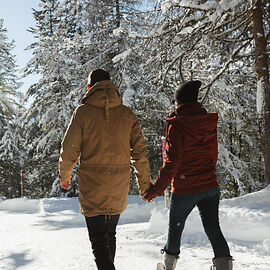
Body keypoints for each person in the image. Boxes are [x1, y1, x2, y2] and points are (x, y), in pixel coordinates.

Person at [59, 68, 150, 270]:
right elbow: (140, 153)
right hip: (119, 184)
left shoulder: (82, 113)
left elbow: (70, 148)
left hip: (92, 184)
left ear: (90, 88)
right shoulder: (127, 114)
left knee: (99, 241)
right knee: (110, 235)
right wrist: (144, 184)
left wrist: (64, 176)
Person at [142, 80, 233, 270]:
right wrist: (206, 174)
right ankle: (225, 267)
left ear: (179, 103)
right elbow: (213, 154)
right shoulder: (207, 121)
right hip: (209, 185)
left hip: (185, 188)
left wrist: (155, 189)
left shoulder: (177, 125)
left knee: (175, 229)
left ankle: (167, 267)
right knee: (213, 228)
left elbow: (172, 162)